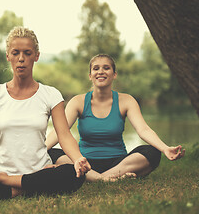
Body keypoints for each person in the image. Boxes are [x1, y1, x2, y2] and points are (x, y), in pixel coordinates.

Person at [0, 27, 91, 202]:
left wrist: (78, 158)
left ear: (36, 56)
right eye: (15, 53)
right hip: (3, 169)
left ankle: (8, 184)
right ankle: (29, 188)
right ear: (8, 56)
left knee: (73, 172)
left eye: (27, 53)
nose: (21, 59)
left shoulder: (51, 94)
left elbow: (64, 135)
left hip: (36, 171)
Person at [45, 53, 185, 182]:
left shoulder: (127, 100)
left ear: (114, 74)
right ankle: (109, 179)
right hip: (85, 162)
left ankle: (93, 179)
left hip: (119, 162)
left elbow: (143, 130)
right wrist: (40, 150)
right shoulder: (78, 102)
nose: (101, 71)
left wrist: (165, 148)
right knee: (52, 153)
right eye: (96, 68)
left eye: (106, 68)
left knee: (152, 152)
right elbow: (60, 132)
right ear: (90, 75)